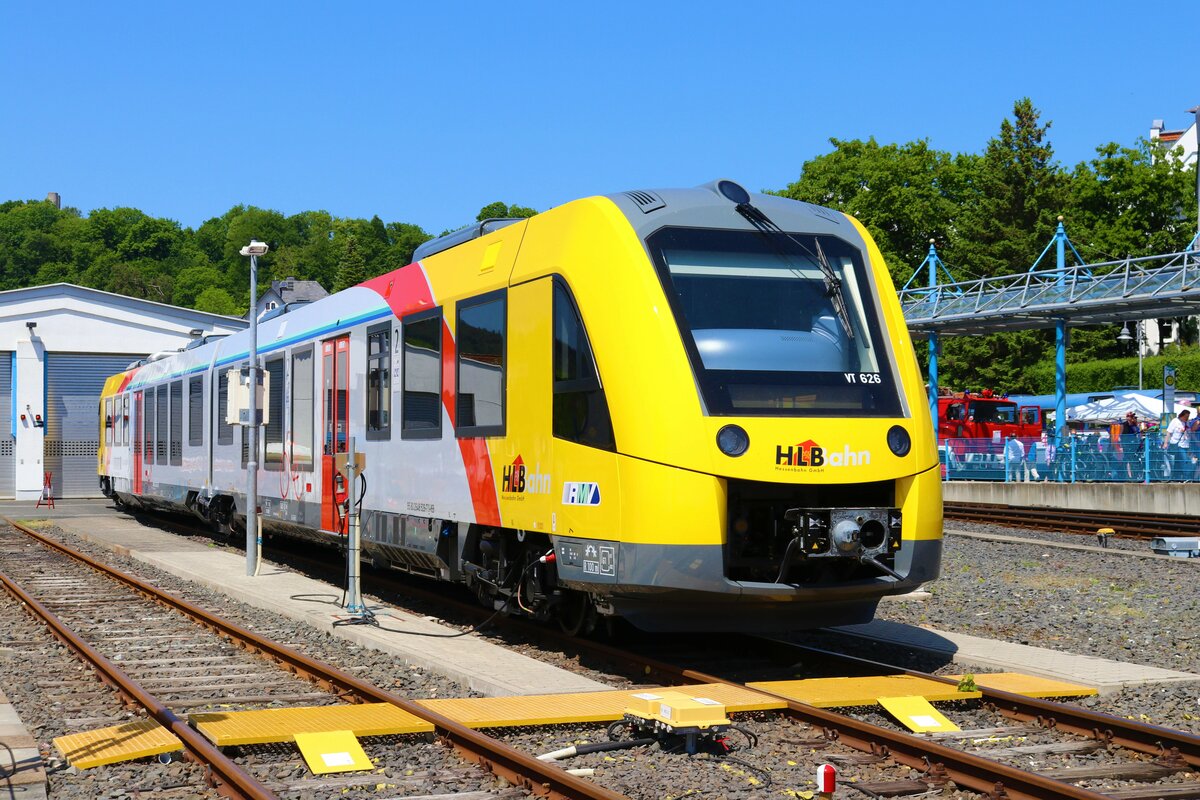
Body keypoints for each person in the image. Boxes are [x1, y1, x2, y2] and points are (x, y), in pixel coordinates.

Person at [1164, 409, 1191, 481]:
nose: (1187, 418)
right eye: (1186, 417)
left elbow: (1189, 432)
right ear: (1182, 415)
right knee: (1184, 460)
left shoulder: (1186, 423)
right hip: (1178, 444)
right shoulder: (1175, 421)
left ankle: (1176, 477)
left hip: (1185, 444)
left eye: (1188, 417)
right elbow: (1169, 432)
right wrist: (1165, 443)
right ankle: (1186, 477)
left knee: (1178, 462)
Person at [1120, 412, 1140, 481]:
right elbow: (1121, 436)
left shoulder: (1134, 425)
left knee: (1133, 460)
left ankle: (1134, 476)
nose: (1132, 418)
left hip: (1134, 445)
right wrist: (1122, 446)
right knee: (1127, 460)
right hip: (1126, 445)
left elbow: (1137, 433)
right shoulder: (1124, 425)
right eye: (1130, 417)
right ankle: (1127, 476)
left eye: (1132, 417)